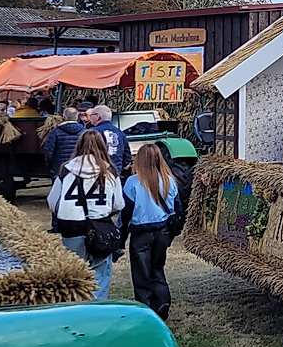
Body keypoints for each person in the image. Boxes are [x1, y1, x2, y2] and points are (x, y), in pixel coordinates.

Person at [47, 131, 124, 300]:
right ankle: (95, 313)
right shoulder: (109, 170)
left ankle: (74, 309)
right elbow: (118, 204)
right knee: (100, 275)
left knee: (73, 275)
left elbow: (53, 201)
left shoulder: (66, 170)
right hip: (100, 228)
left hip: (71, 228)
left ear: (79, 145)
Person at [119, 143, 181, 320]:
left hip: (141, 234)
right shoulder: (169, 180)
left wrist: (121, 239)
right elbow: (177, 208)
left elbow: (125, 213)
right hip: (163, 232)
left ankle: (145, 310)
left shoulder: (133, 182)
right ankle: (163, 302)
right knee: (157, 268)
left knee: (141, 273)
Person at [85, 105, 132, 174]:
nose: (90, 117)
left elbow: (86, 152)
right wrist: (119, 167)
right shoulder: (119, 132)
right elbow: (127, 156)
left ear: (98, 116)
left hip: (97, 172)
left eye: (91, 115)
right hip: (116, 171)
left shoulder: (92, 133)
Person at [43, 108, 86, 178]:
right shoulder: (85, 131)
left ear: (64, 117)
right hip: (78, 168)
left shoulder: (55, 132)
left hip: (59, 168)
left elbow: (49, 151)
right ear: (77, 117)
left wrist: (50, 165)